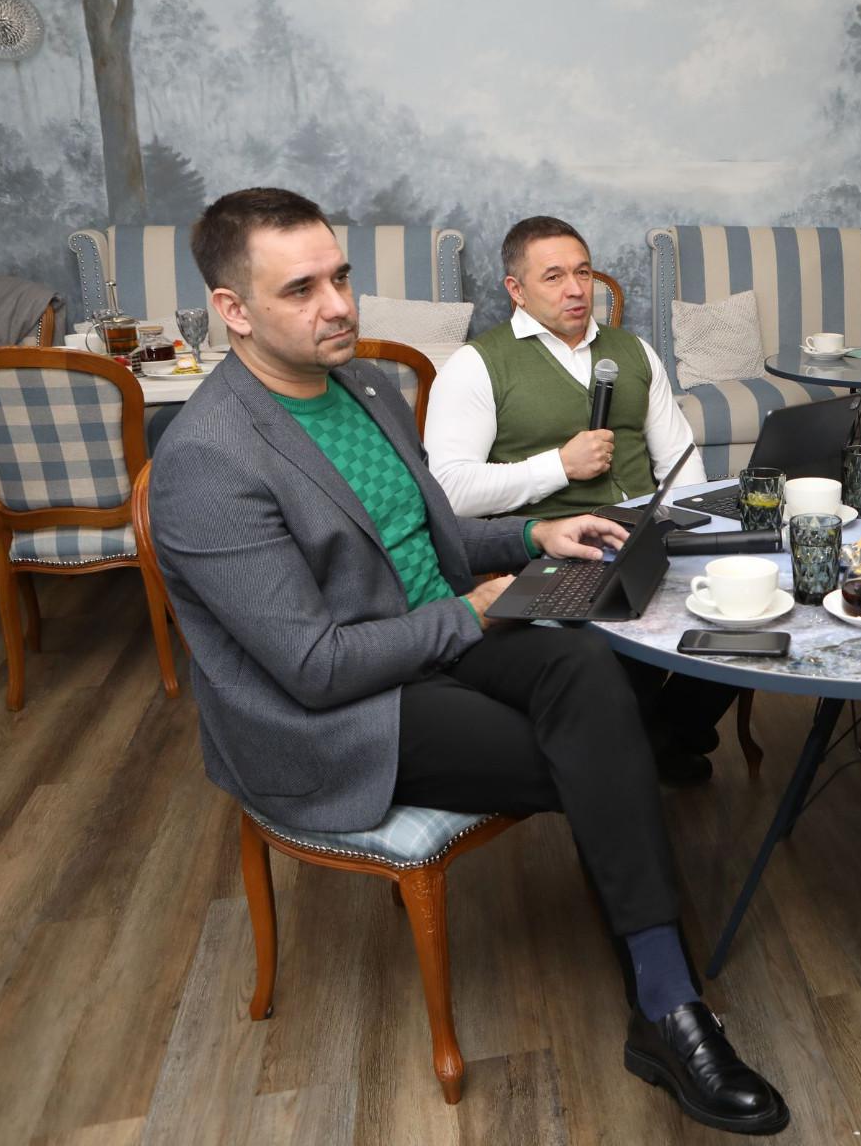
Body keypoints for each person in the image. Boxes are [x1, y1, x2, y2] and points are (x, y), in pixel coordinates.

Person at [152, 189, 788, 1135]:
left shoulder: (365, 386)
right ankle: (671, 1006)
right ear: (232, 310)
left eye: (341, 277)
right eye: (301, 289)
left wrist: (536, 534)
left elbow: (428, 530)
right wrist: (475, 611)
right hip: (341, 712)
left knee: (591, 677)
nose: (339, 305)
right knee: (600, 752)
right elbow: (315, 667)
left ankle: (663, 1005)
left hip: (433, 636)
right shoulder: (207, 459)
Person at [424, 215, 731, 785]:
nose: (575, 289)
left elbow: (681, 459)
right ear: (516, 289)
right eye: (554, 276)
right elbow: (450, 492)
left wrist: (694, 528)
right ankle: (645, 745)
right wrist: (559, 467)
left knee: (745, 604)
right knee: (618, 628)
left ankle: (665, 736)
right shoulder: (475, 366)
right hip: (557, 549)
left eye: (583, 273)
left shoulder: (633, 351)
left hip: (648, 532)